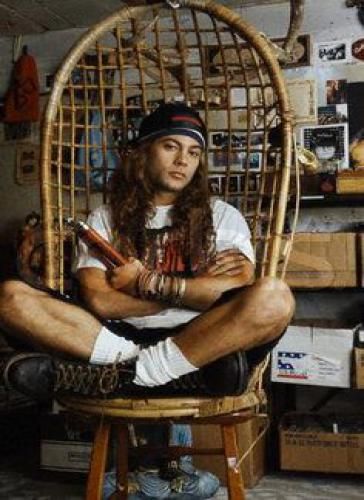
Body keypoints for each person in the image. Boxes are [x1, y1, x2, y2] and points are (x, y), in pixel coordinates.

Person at [0, 100, 294, 398]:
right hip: (116, 337)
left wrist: (146, 283)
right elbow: (101, 302)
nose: (183, 160)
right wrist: (188, 294)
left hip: (203, 336)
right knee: (10, 297)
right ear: (143, 151)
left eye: (194, 153)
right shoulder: (104, 218)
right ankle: (161, 371)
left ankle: (127, 376)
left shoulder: (223, 216)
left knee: (275, 298)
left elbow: (234, 291)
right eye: (170, 146)